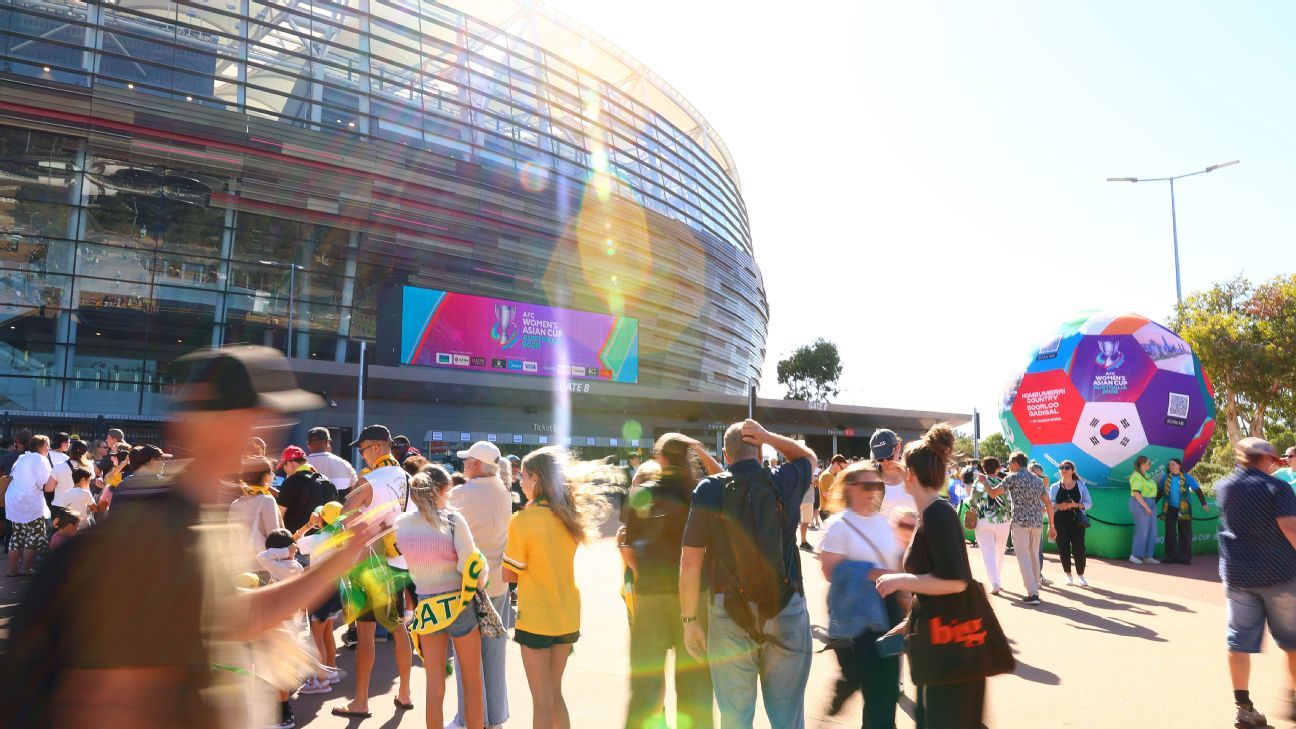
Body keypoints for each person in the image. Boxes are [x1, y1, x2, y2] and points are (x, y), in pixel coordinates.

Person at [0, 344, 383, 729]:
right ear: (216, 422)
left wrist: (336, 563)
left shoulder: (193, 517)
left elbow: (230, 616)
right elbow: (111, 701)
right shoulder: (153, 534)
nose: (268, 428)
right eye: (259, 415)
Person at [679, 419, 815, 729]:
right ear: (760, 450)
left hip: (729, 613)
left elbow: (690, 562)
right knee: (788, 718)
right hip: (785, 606)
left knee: (736, 717)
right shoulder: (784, 480)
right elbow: (808, 458)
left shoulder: (709, 489)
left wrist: (690, 622)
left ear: (726, 456)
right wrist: (769, 435)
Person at [876, 423, 984, 728]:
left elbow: (956, 580)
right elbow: (935, 581)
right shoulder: (929, 514)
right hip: (937, 643)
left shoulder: (938, 514)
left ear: (911, 475)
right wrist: (909, 623)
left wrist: (900, 581)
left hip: (950, 647)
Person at [504, 446, 614, 729]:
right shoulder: (567, 515)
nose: (520, 482)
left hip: (537, 616)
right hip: (566, 614)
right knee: (555, 695)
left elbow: (509, 574)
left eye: (524, 477)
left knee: (540, 702)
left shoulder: (523, 521)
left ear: (536, 478)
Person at [621, 434, 720, 729]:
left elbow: (632, 553)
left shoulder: (643, 494)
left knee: (645, 688)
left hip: (651, 598)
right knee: (696, 688)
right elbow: (723, 478)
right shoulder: (700, 492)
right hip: (693, 597)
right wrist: (701, 450)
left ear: (660, 459)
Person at [336, 423, 417, 719]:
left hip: (370, 563)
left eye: (362, 449)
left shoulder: (372, 478)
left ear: (377, 447)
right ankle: (405, 693)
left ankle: (360, 701)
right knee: (398, 629)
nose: (361, 455)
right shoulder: (405, 476)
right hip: (398, 561)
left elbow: (343, 516)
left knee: (366, 633)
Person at [1215, 437, 1296, 728]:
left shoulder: (1225, 486)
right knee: (1293, 640)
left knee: (1238, 640)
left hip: (1238, 576)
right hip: (1279, 576)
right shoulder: (1278, 487)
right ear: (1265, 458)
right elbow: (1289, 527)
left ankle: (1243, 707)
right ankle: (1294, 701)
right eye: (1274, 457)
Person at [399, 465, 488, 729]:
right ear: (441, 490)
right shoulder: (452, 520)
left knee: (434, 687)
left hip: (427, 607)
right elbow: (469, 565)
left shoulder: (402, 525)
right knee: (472, 683)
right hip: (459, 604)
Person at [820, 460, 905, 728]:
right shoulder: (838, 524)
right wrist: (877, 573)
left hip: (889, 609)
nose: (873, 491)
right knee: (866, 676)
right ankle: (848, 683)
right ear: (850, 488)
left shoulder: (884, 522)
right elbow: (831, 571)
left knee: (885, 689)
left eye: (877, 485)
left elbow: (896, 562)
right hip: (856, 610)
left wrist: (904, 593)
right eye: (867, 485)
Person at [447, 441, 514, 729]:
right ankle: (494, 719)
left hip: (468, 584)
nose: (464, 464)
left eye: (467, 460)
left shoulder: (461, 493)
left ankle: (468, 718)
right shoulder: (505, 492)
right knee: (494, 654)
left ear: (476, 464)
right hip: (498, 582)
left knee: (467, 658)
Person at [1002, 451, 1052, 605]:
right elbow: (1048, 503)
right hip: (1037, 522)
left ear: (1016, 463)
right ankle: (1034, 586)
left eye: (1010, 463)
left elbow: (994, 492)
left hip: (1020, 522)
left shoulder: (1012, 478)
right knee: (1034, 556)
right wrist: (1052, 524)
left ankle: (1032, 593)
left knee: (1023, 557)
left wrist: (984, 482)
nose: (1009, 466)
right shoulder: (1037, 480)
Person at [4, 434, 52, 576]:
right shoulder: (41, 459)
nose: (49, 448)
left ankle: (12, 569)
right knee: (34, 535)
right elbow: (44, 483)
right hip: (30, 502)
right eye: (48, 445)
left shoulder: (22, 457)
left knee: (16, 535)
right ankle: (25, 569)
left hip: (14, 500)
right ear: (42, 446)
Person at [967, 457, 1012, 595]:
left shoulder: (979, 482)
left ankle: (995, 582)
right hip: (1003, 521)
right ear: (998, 468)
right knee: (999, 552)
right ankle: (997, 579)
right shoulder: (1003, 482)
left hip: (983, 520)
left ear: (983, 468)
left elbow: (973, 501)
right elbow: (1009, 501)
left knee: (988, 553)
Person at [275, 445, 339, 536]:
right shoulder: (325, 481)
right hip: (322, 540)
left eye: (284, 467)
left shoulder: (289, 483)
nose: (285, 471)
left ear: (290, 463)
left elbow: (279, 516)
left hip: (296, 541)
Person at [229, 456, 285, 559]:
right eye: (272, 474)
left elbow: (232, 540)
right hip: (263, 564)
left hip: (242, 565)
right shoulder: (267, 500)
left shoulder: (235, 504)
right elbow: (275, 538)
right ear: (266, 477)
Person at [1049, 460, 1092, 586]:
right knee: (1063, 548)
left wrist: (1076, 505)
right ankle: (1068, 574)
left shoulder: (1081, 485)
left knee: (1079, 548)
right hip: (1059, 520)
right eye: (1061, 467)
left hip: (1076, 520)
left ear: (1072, 470)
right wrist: (1059, 505)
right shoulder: (1054, 487)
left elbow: (1089, 503)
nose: (1064, 469)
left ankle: (1081, 575)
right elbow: (1050, 503)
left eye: (1067, 467)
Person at [1160, 458, 1209, 565]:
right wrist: (1152, 504)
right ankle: (1170, 556)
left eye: (1173, 464)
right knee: (1170, 532)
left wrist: (1203, 503)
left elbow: (1197, 490)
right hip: (1170, 508)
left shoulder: (1187, 477)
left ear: (1179, 465)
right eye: (1169, 465)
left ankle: (1184, 557)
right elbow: (1160, 492)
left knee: (1185, 532)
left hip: (1184, 508)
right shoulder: (1165, 478)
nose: (1170, 466)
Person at [871, 429, 916, 515]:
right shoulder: (871, 478)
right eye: (879, 458)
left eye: (888, 456)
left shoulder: (914, 473)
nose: (885, 461)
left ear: (898, 447)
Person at [305, 427, 357, 497]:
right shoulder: (345, 465)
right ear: (327, 442)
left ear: (308, 445)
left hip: (308, 507)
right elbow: (355, 491)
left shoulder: (299, 466)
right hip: (338, 507)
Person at [1128, 455, 1160, 565]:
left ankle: (1147, 556)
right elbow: (1136, 493)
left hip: (1150, 502)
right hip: (1140, 503)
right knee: (1142, 530)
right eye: (1149, 463)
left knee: (1152, 530)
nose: (1150, 465)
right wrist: (1145, 506)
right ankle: (1135, 555)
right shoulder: (1136, 475)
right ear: (1142, 464)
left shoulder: (1146, 475)